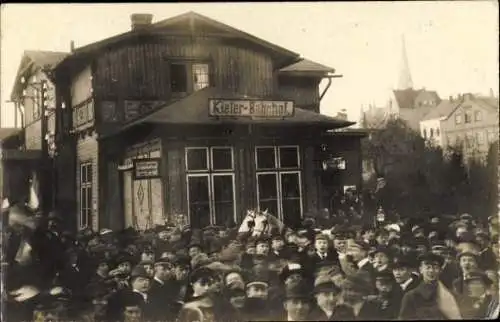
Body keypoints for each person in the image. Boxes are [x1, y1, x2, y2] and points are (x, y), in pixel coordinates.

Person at [398, 253, 462, 320]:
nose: (431, 271)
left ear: (440, 271)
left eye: (435, 268)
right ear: (421, 270)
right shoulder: (411, 296)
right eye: (427, 267)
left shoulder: (450, 295)